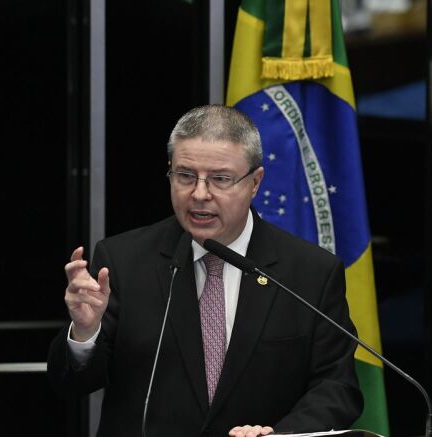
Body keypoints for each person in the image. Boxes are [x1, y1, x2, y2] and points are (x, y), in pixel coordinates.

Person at [47, 104, 363, 437]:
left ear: (255, 182)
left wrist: (280, 436)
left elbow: (337, 386)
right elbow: (72, 384)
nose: (199, 194)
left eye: (220, 179)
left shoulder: (310, 272)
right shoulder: (123, 260)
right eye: (185, 176)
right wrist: (84, 333)